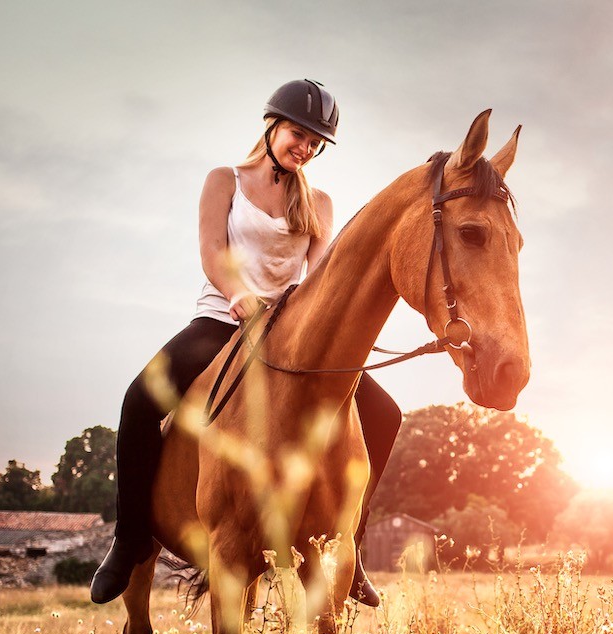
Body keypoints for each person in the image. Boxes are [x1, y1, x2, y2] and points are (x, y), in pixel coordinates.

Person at [91, 79, 400, 606]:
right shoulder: (224, 180)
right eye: (298, 134)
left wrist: (331, 331)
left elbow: (322, 278)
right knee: (138, 398)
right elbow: (213, 252)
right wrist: (239, 296)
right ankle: (129, 539)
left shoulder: (318, 202)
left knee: (386, 412)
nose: (304, 147)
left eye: (314, 142)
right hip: (222, 322)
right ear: (272, 125)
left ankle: (352, 543)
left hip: (288, 336)